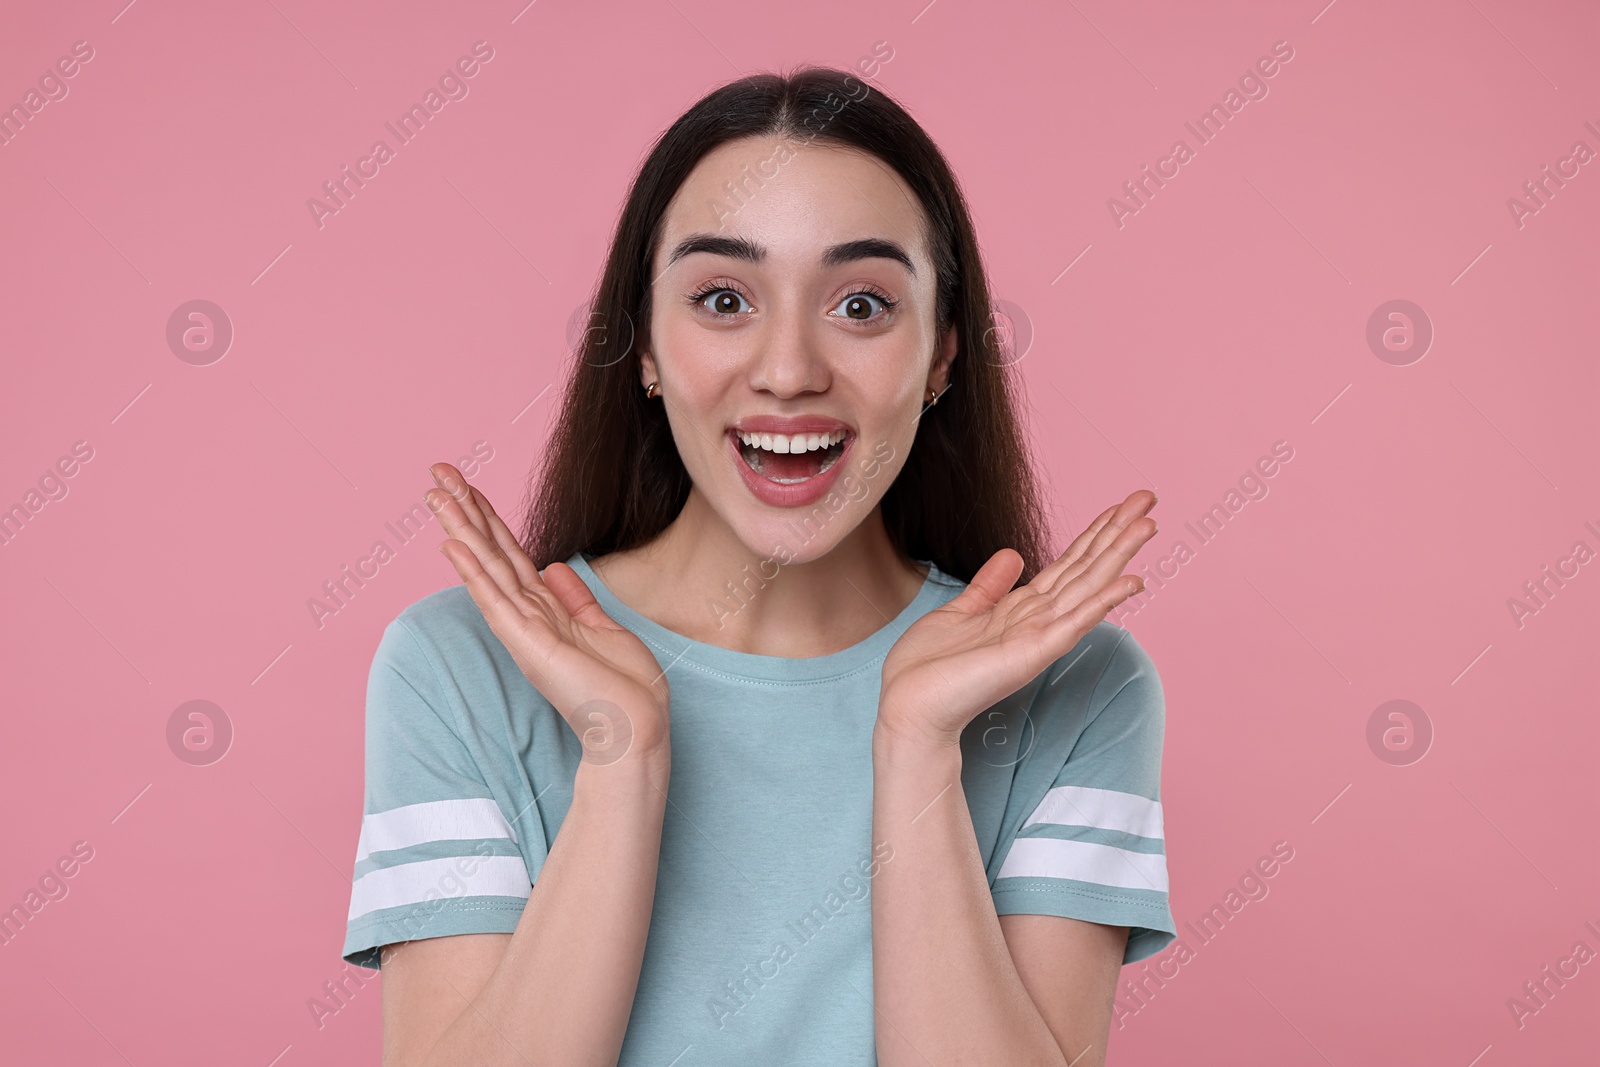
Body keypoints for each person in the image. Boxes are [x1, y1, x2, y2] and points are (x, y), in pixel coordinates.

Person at [342, 65, 1174, 1067]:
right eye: (723, 297)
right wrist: (622, 757)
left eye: (861, 304)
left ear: (945, 354)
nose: (787, 370)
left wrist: (915, 747)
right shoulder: (459, 669)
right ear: (642, 346)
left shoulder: (1077, 689)